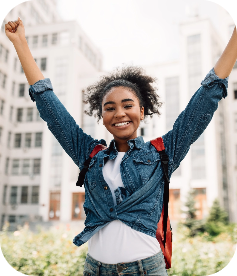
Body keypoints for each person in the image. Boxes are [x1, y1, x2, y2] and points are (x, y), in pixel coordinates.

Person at [5, 17, 237, 276]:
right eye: (110, 108)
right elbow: (49, 105)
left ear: (141, 110)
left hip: (146, 270)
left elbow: (206, 97)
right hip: (96, 269)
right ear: (101, 116)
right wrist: (21, 43)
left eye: (127, 105)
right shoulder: (89, 155)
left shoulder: (162, 153)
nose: (119, 113)